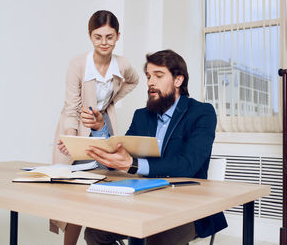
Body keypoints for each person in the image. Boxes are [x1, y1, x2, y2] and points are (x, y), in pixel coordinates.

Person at [80, 49, 227, 245]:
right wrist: (100, 128)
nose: (150, 82)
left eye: (158, 76)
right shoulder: (142, 115)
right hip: (143, 199)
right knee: (94, 233)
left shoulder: (202, 113)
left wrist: (133, 164)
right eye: (149, 76)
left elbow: (188, 164)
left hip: (187, 206)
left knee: (157, 238)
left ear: (178, 80)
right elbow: (121, 155)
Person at [51, 10, 139, 245]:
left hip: (103, 126)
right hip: (77, 127)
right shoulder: (78, 64)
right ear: (90, 36)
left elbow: (134, 80)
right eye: (98, 37)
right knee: (74, 194)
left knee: (104, 183)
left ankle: (102, 237)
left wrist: (111, 102)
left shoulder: (123, 64)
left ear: (118, 36)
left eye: (109, 37)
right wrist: (71, 138)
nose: (104, 42)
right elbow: (70, 106)